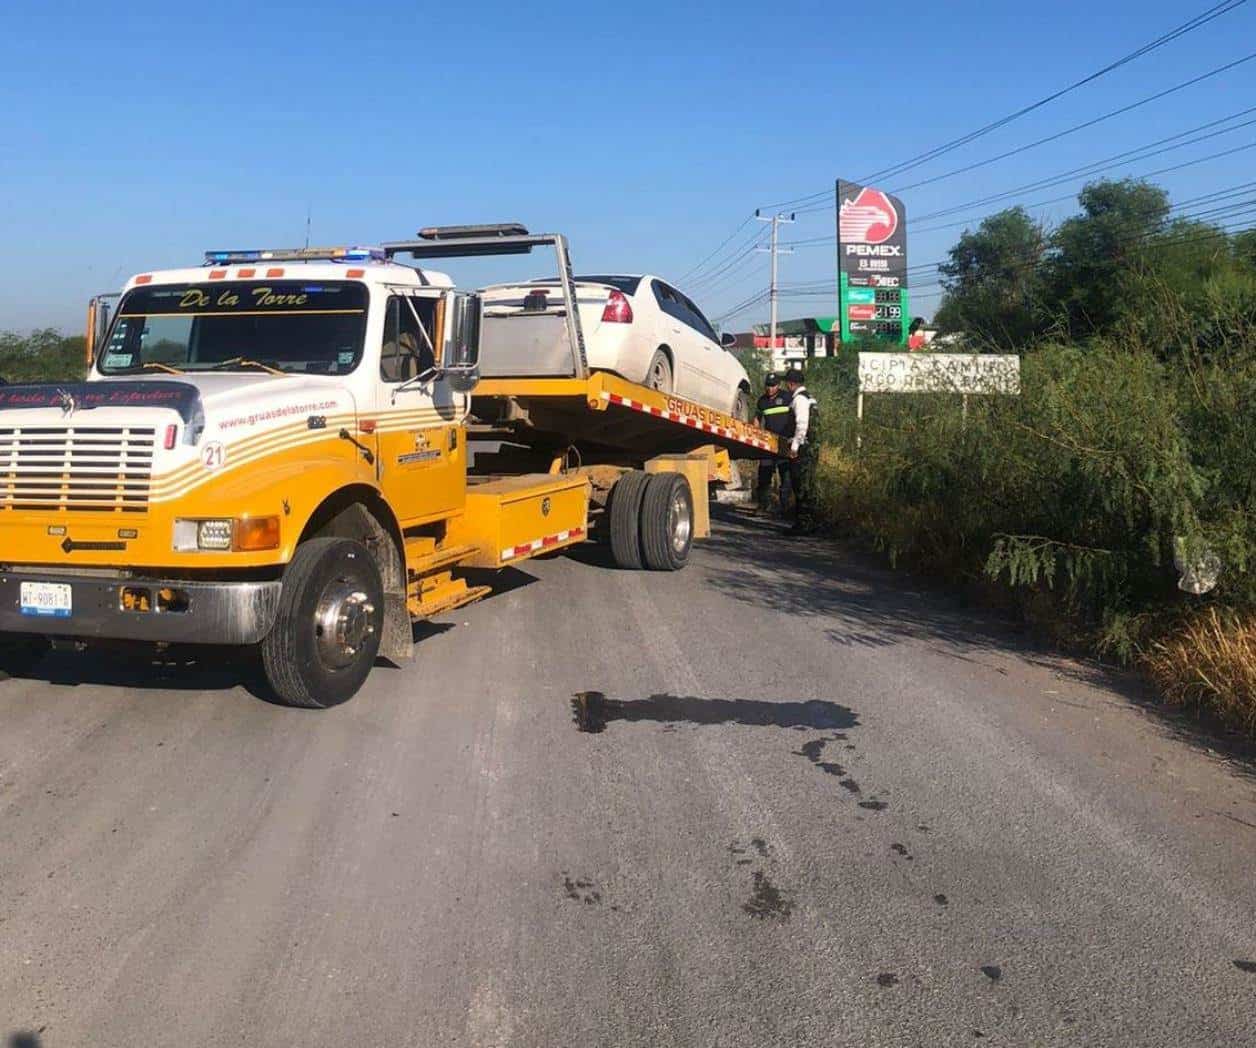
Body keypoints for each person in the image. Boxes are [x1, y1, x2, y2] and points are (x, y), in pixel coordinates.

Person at [784, 368, 818, 535]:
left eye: (787, 383)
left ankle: (803, 525)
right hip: (810, 449)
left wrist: (794, 448)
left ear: (791, 383)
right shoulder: (809, 397)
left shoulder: (799, 400)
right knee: (806, 485)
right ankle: (807, 523)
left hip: (803, 449)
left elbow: (802, 424)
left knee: (801, 486)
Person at [754, 371, 793, 512]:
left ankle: (785, 508)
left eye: (773, 385)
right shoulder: (762, 401)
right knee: (764, 475)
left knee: (786, 477)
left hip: (784, 443)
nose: (770, 388)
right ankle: (763, 505)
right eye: (768, 385)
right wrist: (756, 434)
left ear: (779, 385)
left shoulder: (787, 397)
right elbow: (757, 419)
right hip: (768, 444)